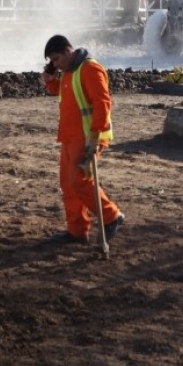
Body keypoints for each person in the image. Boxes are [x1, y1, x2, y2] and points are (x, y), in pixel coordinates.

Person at [41, 35, 124, 245]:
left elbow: (103, 102)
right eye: (53, 61)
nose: (56, 65)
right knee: (68, 184)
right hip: (70, 137)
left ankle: (111, 216)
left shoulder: (89, 69)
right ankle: (77, 230)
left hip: (87, 137)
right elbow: (67, 93)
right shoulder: (70, 73)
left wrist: (95, 136)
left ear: (68, 50)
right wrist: (50, 82)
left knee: (79, 180)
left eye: (57, 59)